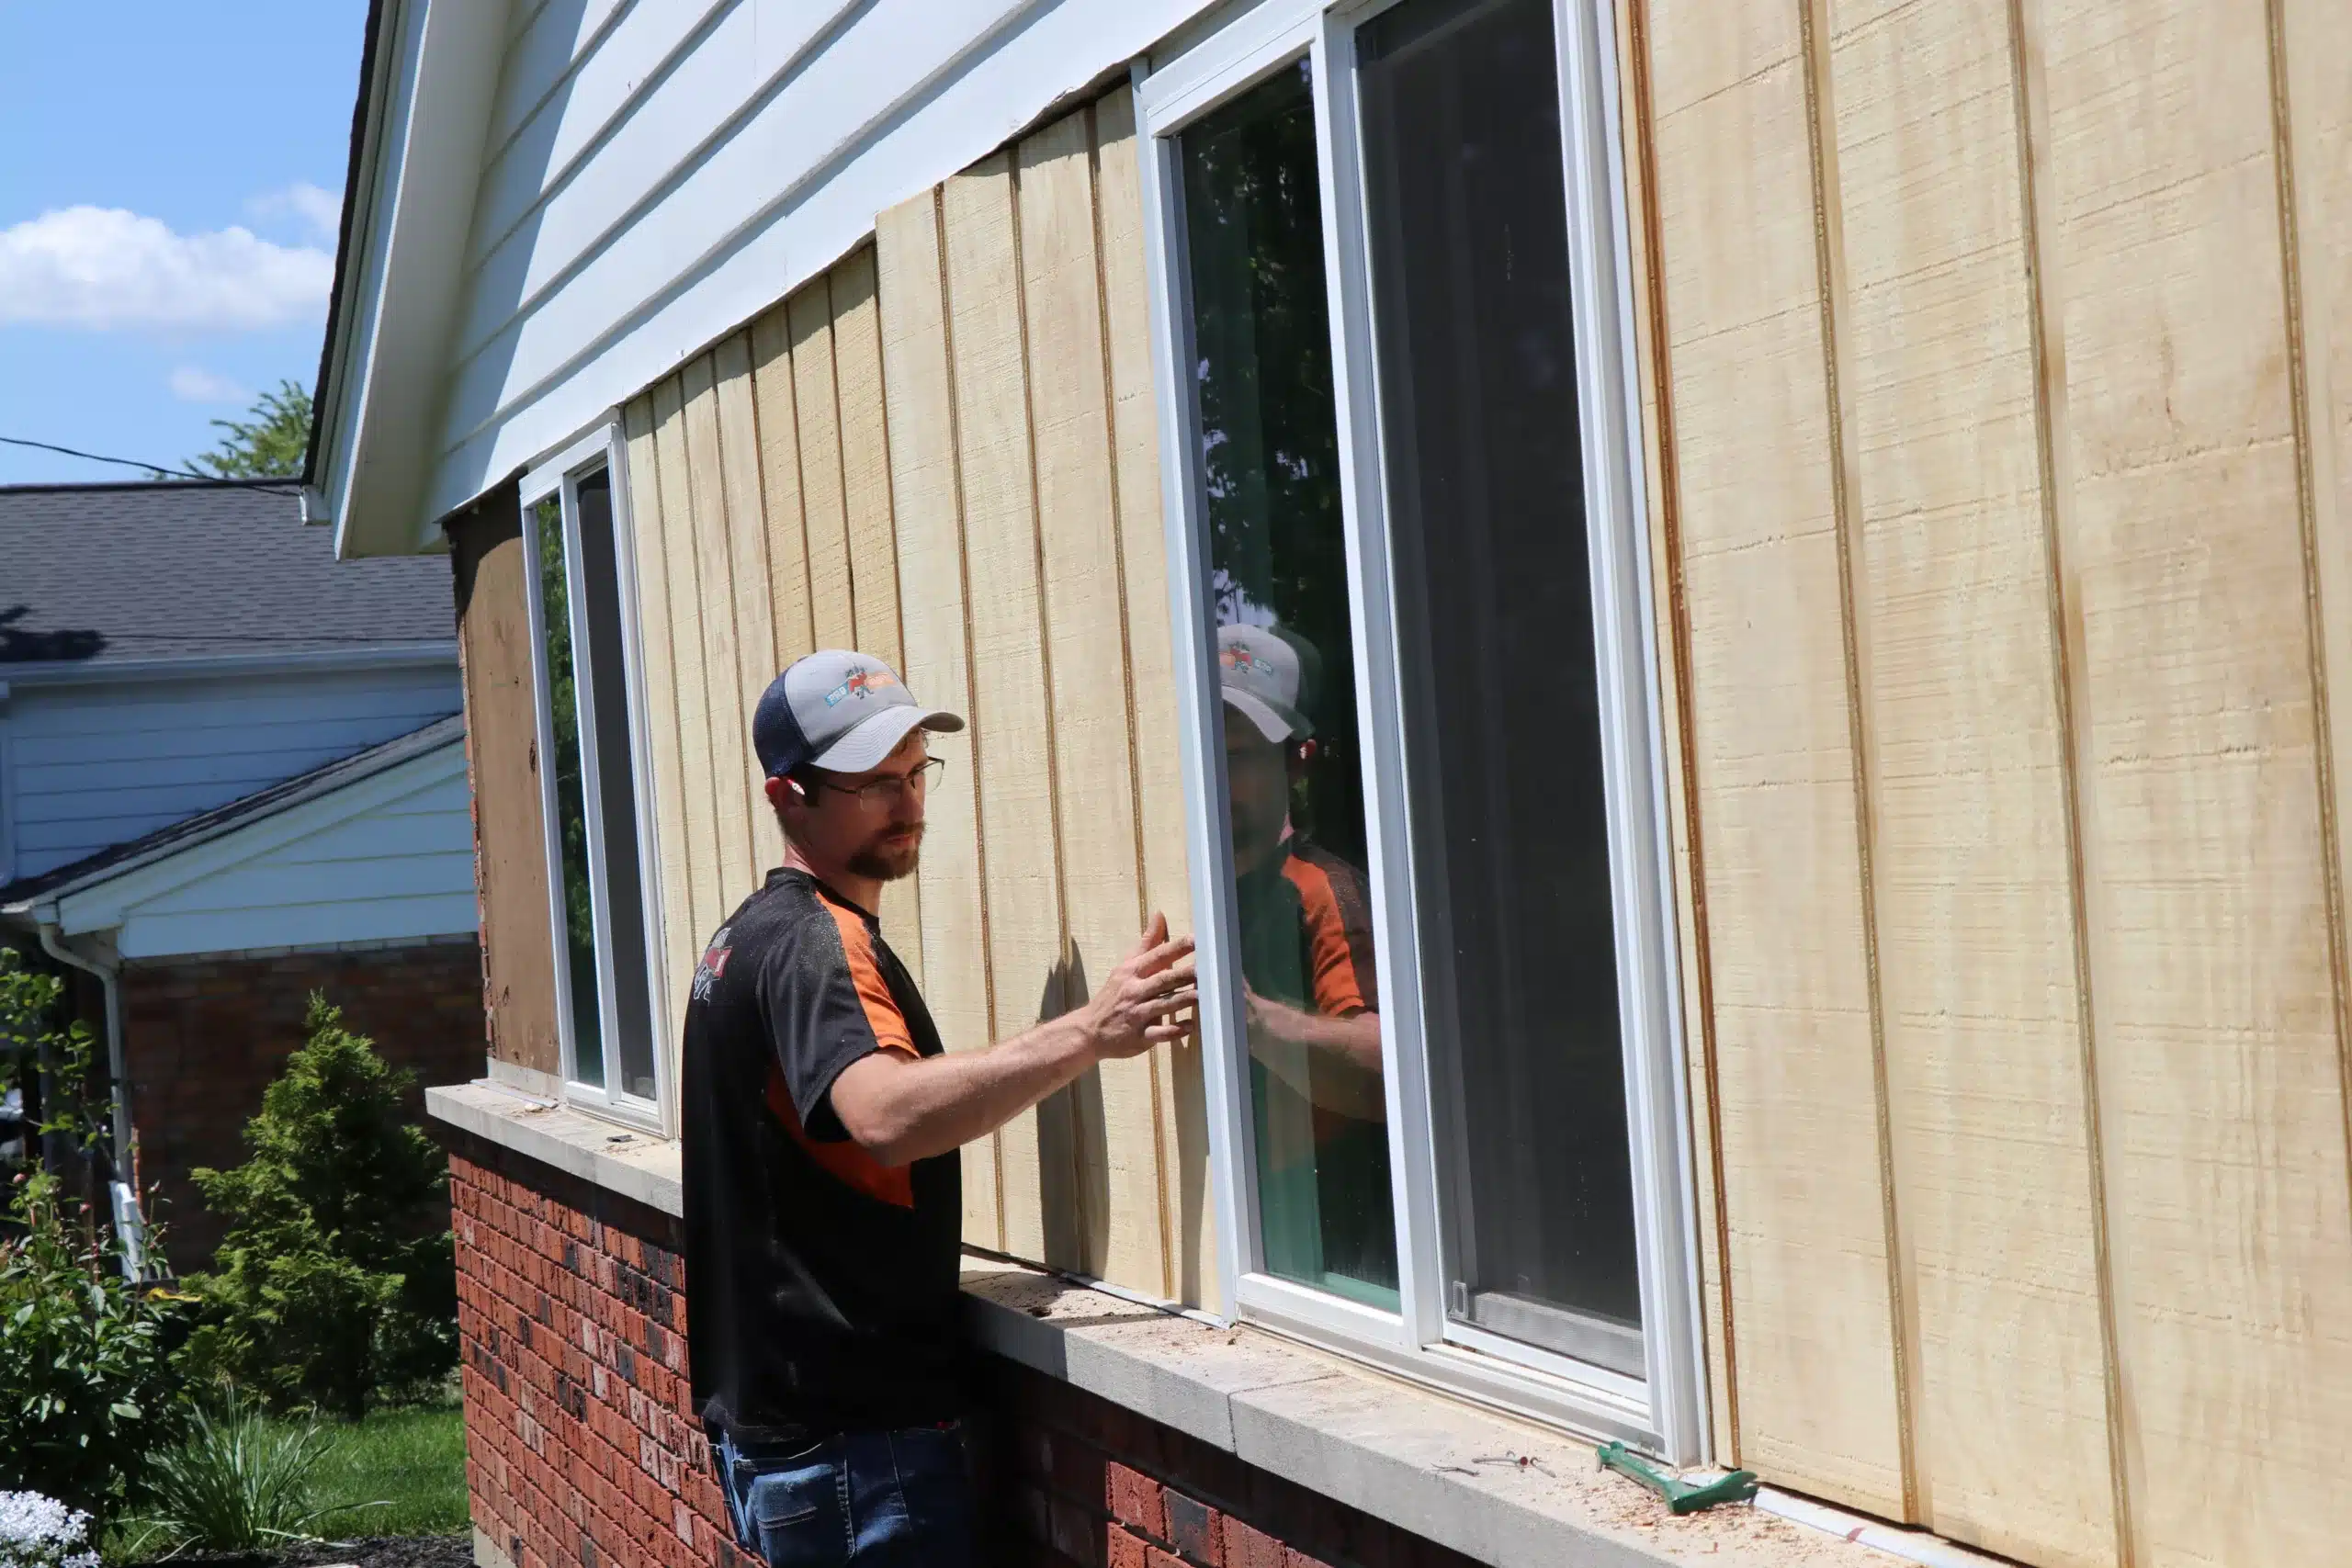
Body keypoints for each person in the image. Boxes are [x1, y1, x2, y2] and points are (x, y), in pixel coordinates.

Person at [682, 649, 1196, 1566]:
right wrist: (1088, 1030)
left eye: (918, 774)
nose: (911, 806)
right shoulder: (811, 944)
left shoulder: (745, 940)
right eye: (876, 784)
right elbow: (881, 1113)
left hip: (802, 1439)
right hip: (852, 1448)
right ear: (786, 794)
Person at [1216, 624, 1395, 1292]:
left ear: (1298, 760)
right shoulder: (1194, 888)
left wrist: (1255, 1022)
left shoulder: (1324, 890)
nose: (1219, 776)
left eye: (1240, 756)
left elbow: (1386, 1074)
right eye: (1210, 751)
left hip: (1326, 1242)